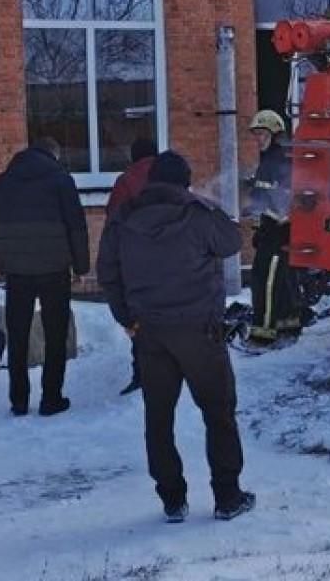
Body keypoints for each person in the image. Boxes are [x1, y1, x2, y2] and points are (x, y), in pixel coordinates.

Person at [97, 151, 255, 523]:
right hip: (201, 331)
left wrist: (126, 318)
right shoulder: (197, 215)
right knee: (218, 413)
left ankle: (172, 499)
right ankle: (227, 496)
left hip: (150, 332)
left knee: (158, 417)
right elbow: (232, 241)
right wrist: (211, 205)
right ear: (185, 182)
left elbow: (108, 273)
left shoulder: (124, 218)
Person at [0, 137, 89, 418]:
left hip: (17, 271)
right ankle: (51, 398)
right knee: (56, 335)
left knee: (18, 335)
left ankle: (19, 400)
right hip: (55, 269)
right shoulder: (61, 180)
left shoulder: (5, 181)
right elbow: (76, 225)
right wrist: (81, 267)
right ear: (54, 155)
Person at [105, 137, 159, 396]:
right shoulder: (169, 176)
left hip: (135, 260)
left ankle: (142, 372)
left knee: (139, 317)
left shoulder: (125, 181)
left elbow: (113, 220)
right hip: (171, 259)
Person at [244, 109, 301, 343]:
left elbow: (280, 201)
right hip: (273, 230)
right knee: (282, 279)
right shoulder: (272, 159)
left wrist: (265, 218)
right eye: (256, 134)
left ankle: (263, 331)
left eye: (261, 134)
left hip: (277, 231)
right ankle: (288, 323)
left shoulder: (277, 161)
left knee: (265, 281)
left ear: (274, 134)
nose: (257, 139)